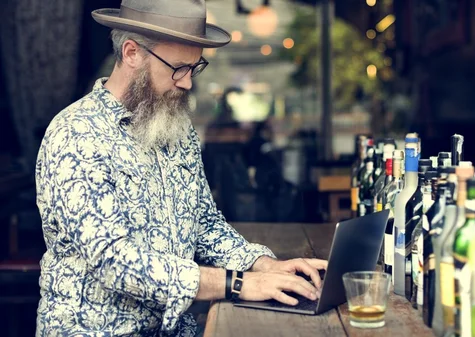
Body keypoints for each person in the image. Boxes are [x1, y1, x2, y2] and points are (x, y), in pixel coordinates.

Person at [34, 0, 327, 335]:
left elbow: (203, 222)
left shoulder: (174, 125)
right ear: (132, 53)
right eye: (178, 68)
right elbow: (116, 262)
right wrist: (237, 283)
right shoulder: (76, 134)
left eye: (194, 68)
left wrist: (263, 264)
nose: (187, 83)